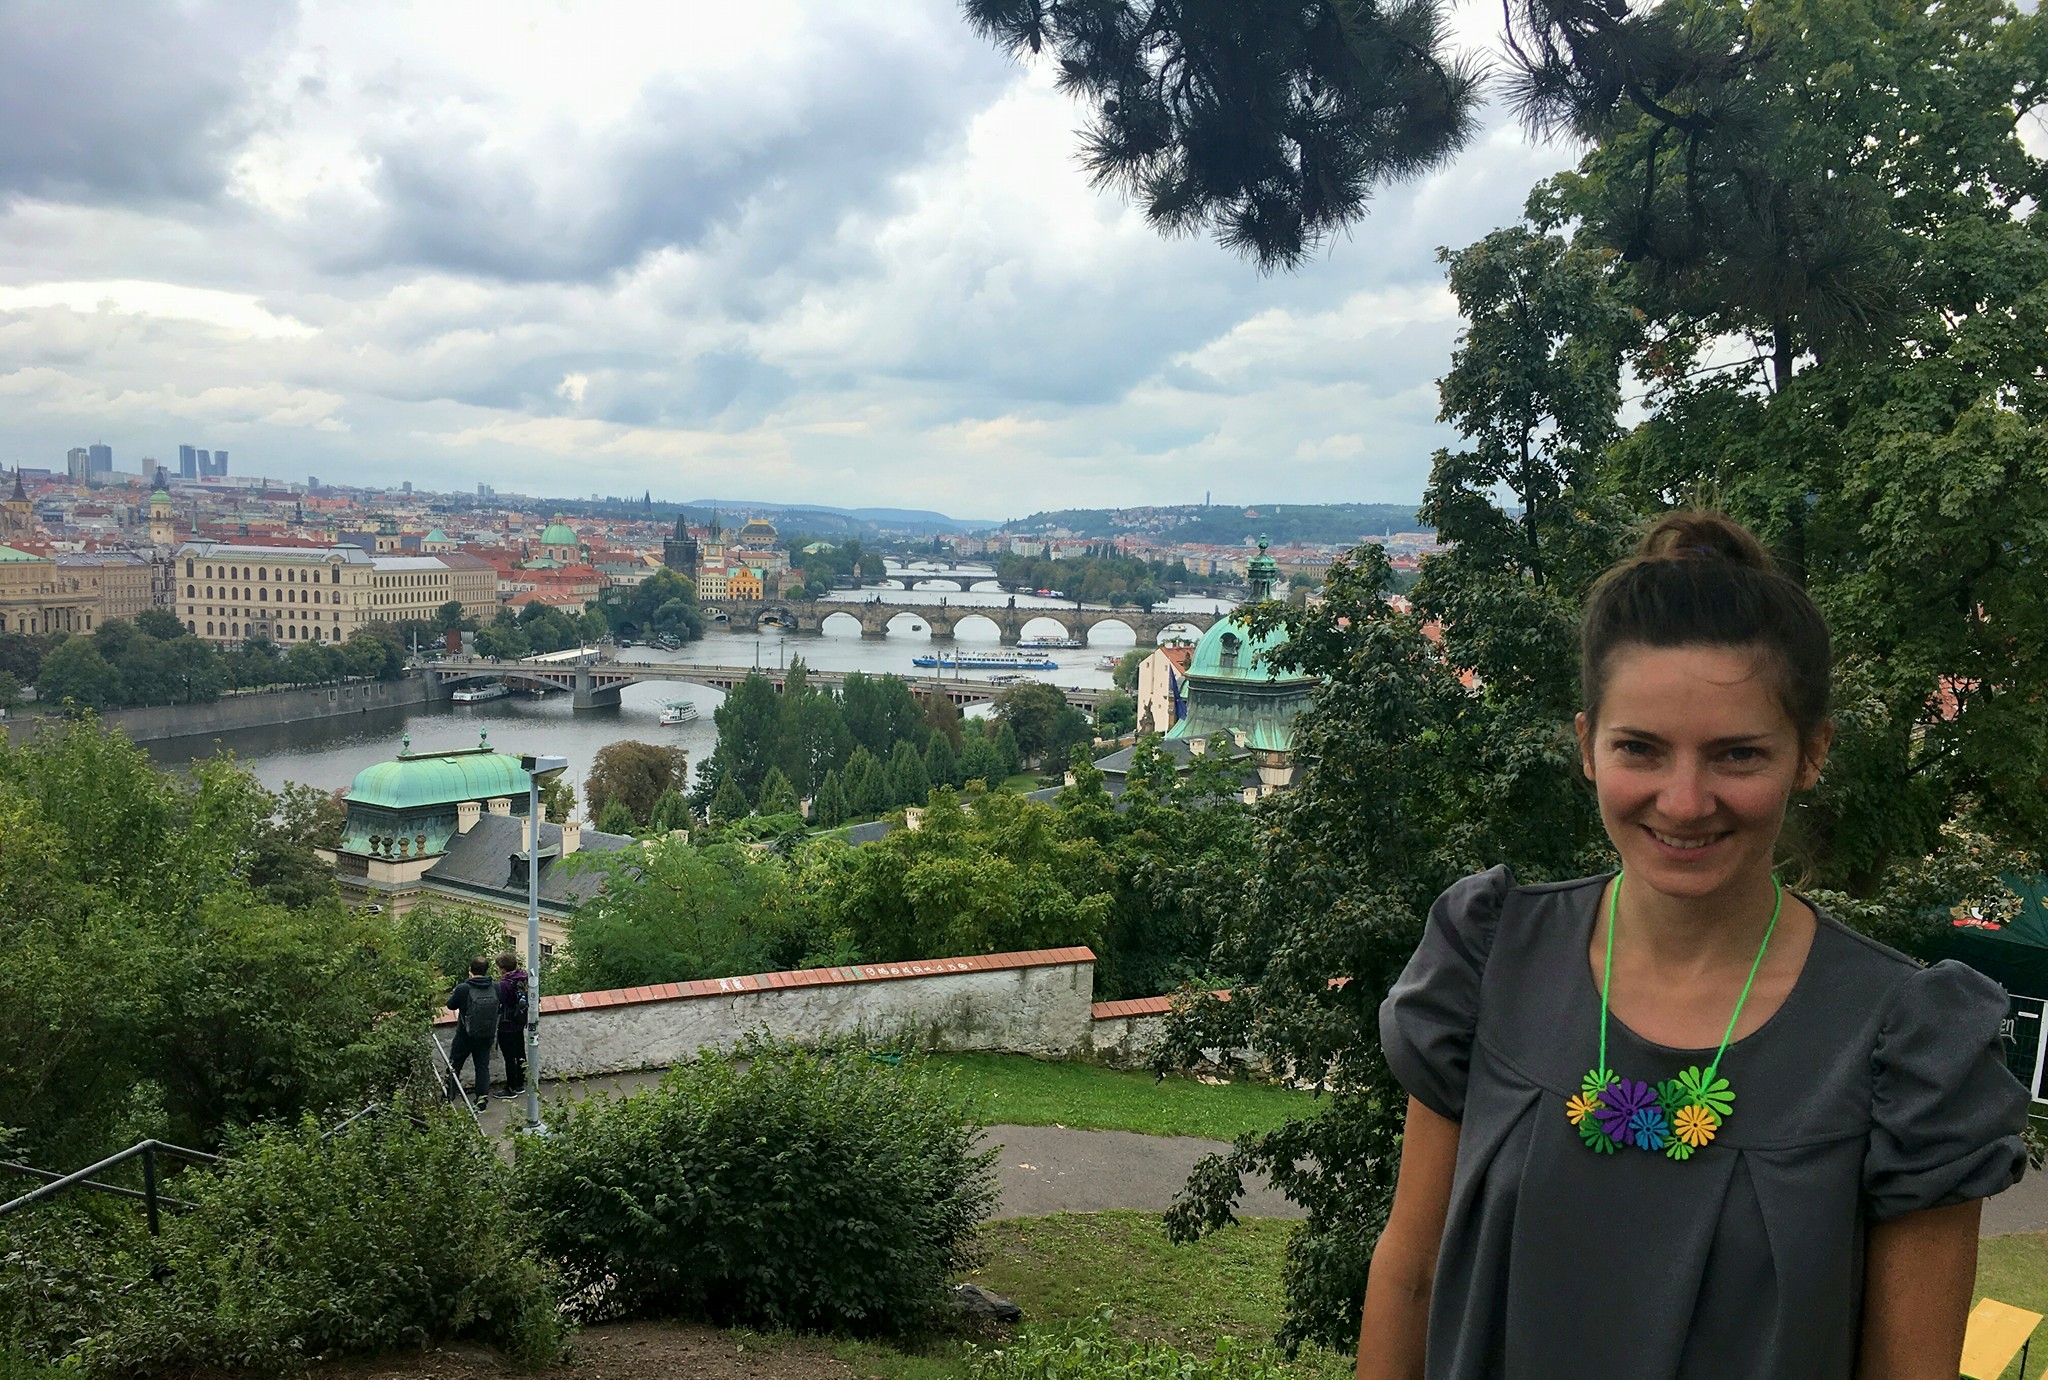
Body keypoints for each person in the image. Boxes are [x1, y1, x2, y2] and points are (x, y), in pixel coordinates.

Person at [1362, 512, 2029, 1379]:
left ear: (1811, 754)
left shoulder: (1909, 1047)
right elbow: (1410, 1278)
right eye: (1640, 748)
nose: (1683, 802)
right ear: (1587, 746)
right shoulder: (1486, 958)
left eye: (1737, 755)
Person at [444, 958, 499, 1108]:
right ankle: (481, 1101)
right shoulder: (495, 987)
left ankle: (448, 1096)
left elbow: (450, 1006)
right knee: (482, 1067)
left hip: (465, 1034)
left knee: (455, 1065)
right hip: (487, 1034)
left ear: (470, 970)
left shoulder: (463, 988)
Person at [495, 951, 530, 1097]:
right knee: (520, 1052)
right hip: (520, 1021)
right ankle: (520, 1083)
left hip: (507, 1023)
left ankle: (510, 1087)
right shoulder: (523, 977)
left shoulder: (505, 984)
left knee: (509, 1057)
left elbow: (500, 1002)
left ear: (503, 968)